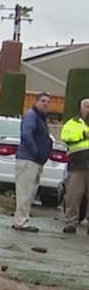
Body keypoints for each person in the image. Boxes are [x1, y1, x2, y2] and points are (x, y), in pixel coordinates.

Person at [12, 92, 53, 233]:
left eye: (48, 101)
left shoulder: (41, 118)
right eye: (43, 100)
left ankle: (22, 219)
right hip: (28, 160)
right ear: (36, 102)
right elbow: (26, 134)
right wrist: (36, 152)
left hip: (36, 161)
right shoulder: (31, 115)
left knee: (30, 193)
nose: (46, 103)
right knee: (25, 191)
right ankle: (21, 222)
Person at [61, 98, 89, 233]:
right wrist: (84, 134)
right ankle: (70, 223)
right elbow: (66, 137)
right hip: (78, 165)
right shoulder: (72, 123)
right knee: (74, 195)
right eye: (87, 106)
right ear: (81, 108)